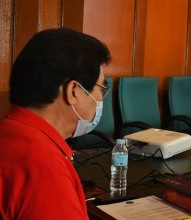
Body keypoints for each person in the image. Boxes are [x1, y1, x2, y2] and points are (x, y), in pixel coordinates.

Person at [0, 28, 111, 219]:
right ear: (74, 91)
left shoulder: (9, 131)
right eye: (100, 87)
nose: (101, 97)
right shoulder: (46, 171)